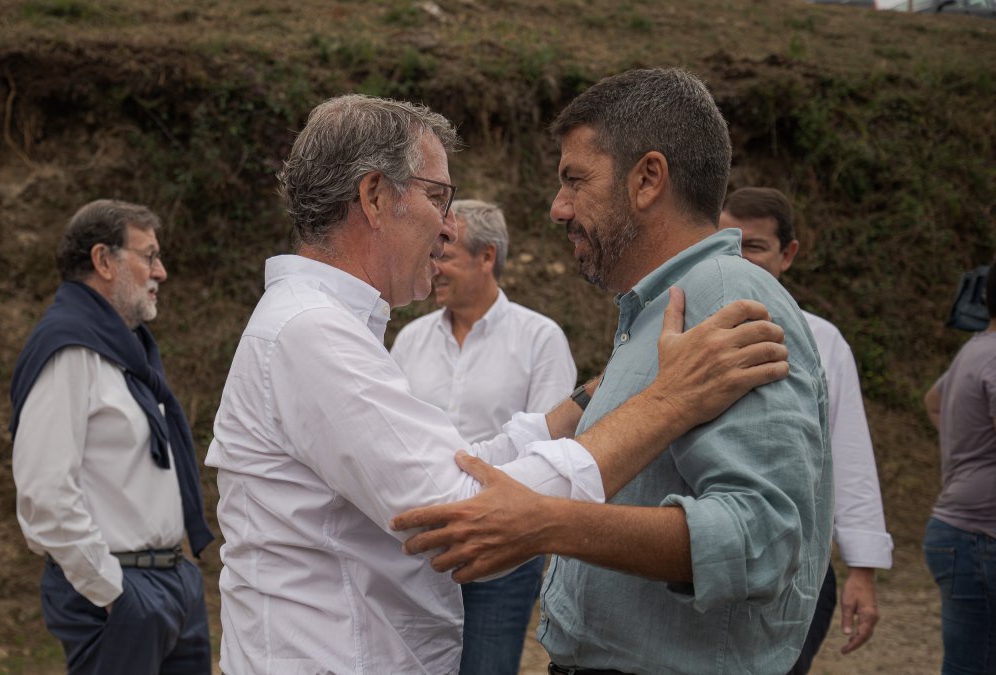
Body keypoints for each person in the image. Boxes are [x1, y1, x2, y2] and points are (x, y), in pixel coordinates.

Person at [206, 93, 792, 674]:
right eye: (438, 197)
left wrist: (597, 395)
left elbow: (457, 467)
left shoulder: (315, 326)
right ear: (376, 196)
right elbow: (461, 517)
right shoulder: (312, 334)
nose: (449, 226)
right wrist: (670, 401)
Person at [393, 68, 833, 674]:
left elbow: (761, 538)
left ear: (648, 178)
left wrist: (550, 523)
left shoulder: (724, 299)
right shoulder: (660, 307)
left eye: (575, 180)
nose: (558, 208)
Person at [9, 200, 215, 675]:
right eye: (148, 255)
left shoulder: (128, 352)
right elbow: (45, 493)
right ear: (103, 261)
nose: (160, 272)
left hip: (172, 582)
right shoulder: (68, 350)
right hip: (120, 593)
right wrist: (112, 591)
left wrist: (178, 574)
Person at [391, 199, 577, 675]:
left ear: (487, 257)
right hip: (417, 557)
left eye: (445, 254)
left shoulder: (541, 339)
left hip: (501, 556)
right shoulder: (409, 340)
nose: (433, 267)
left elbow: (551, 451)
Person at [719, 187, 894, 673]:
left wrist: (862, 569)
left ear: (788, 254)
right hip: (699, 562)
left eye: (753, 246)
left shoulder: (821, 341)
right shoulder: (678, 325)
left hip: (798, 571)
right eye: (725, 243)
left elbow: (849, 455)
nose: (737, 259)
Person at [922, 258, 996, 675]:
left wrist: (969, 450)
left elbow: (934, 402)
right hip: (981, 540)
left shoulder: (977, 348)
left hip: (962, 534)